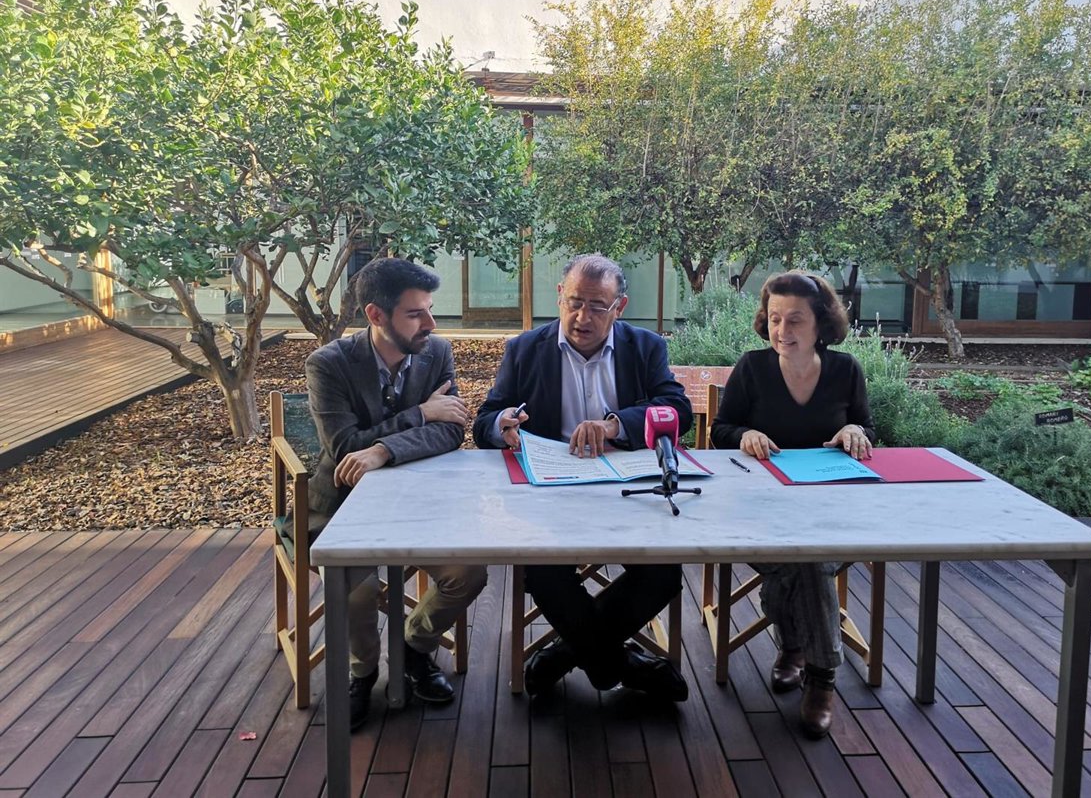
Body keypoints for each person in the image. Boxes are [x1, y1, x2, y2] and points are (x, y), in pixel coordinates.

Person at [473, 254, 693, 701]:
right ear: (560, 297)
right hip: (550, 495)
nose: (582, 317)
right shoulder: (525, 349)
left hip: (627, 490)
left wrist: (615, 426)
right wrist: (503, 425)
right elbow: (484, 422)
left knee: (663, 574)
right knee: (543, 574)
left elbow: (677, 409)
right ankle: (621, 666)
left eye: (597, 306)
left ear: (619, 307)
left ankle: (560, 656)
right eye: (574, 302)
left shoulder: (645, 347)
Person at [306, 258, 486, 730]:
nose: (431, 324)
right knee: (356, 589)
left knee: (468, 574)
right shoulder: (329, 364)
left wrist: (383, 449)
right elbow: (344, 448)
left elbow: (452, 430)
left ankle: (412, 649)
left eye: (430, 310)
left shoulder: (436, 352)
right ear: (376, 315)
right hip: (343, 506)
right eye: (415, 314)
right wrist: (421, 414)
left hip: (422, 505)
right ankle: (362, 674)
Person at [709, 271, 875, 739]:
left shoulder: (845, 370)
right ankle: (819, 672)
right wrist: (746, 434)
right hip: (759, 514)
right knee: (809, 561)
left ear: (821, 323)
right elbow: (722, 430)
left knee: (810, 557)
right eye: (775, 318)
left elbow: (867, 430)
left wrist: (854, 431)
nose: (782, 330)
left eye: (795, 320)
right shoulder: (752, 367)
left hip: (832, 513)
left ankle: (800, 656)